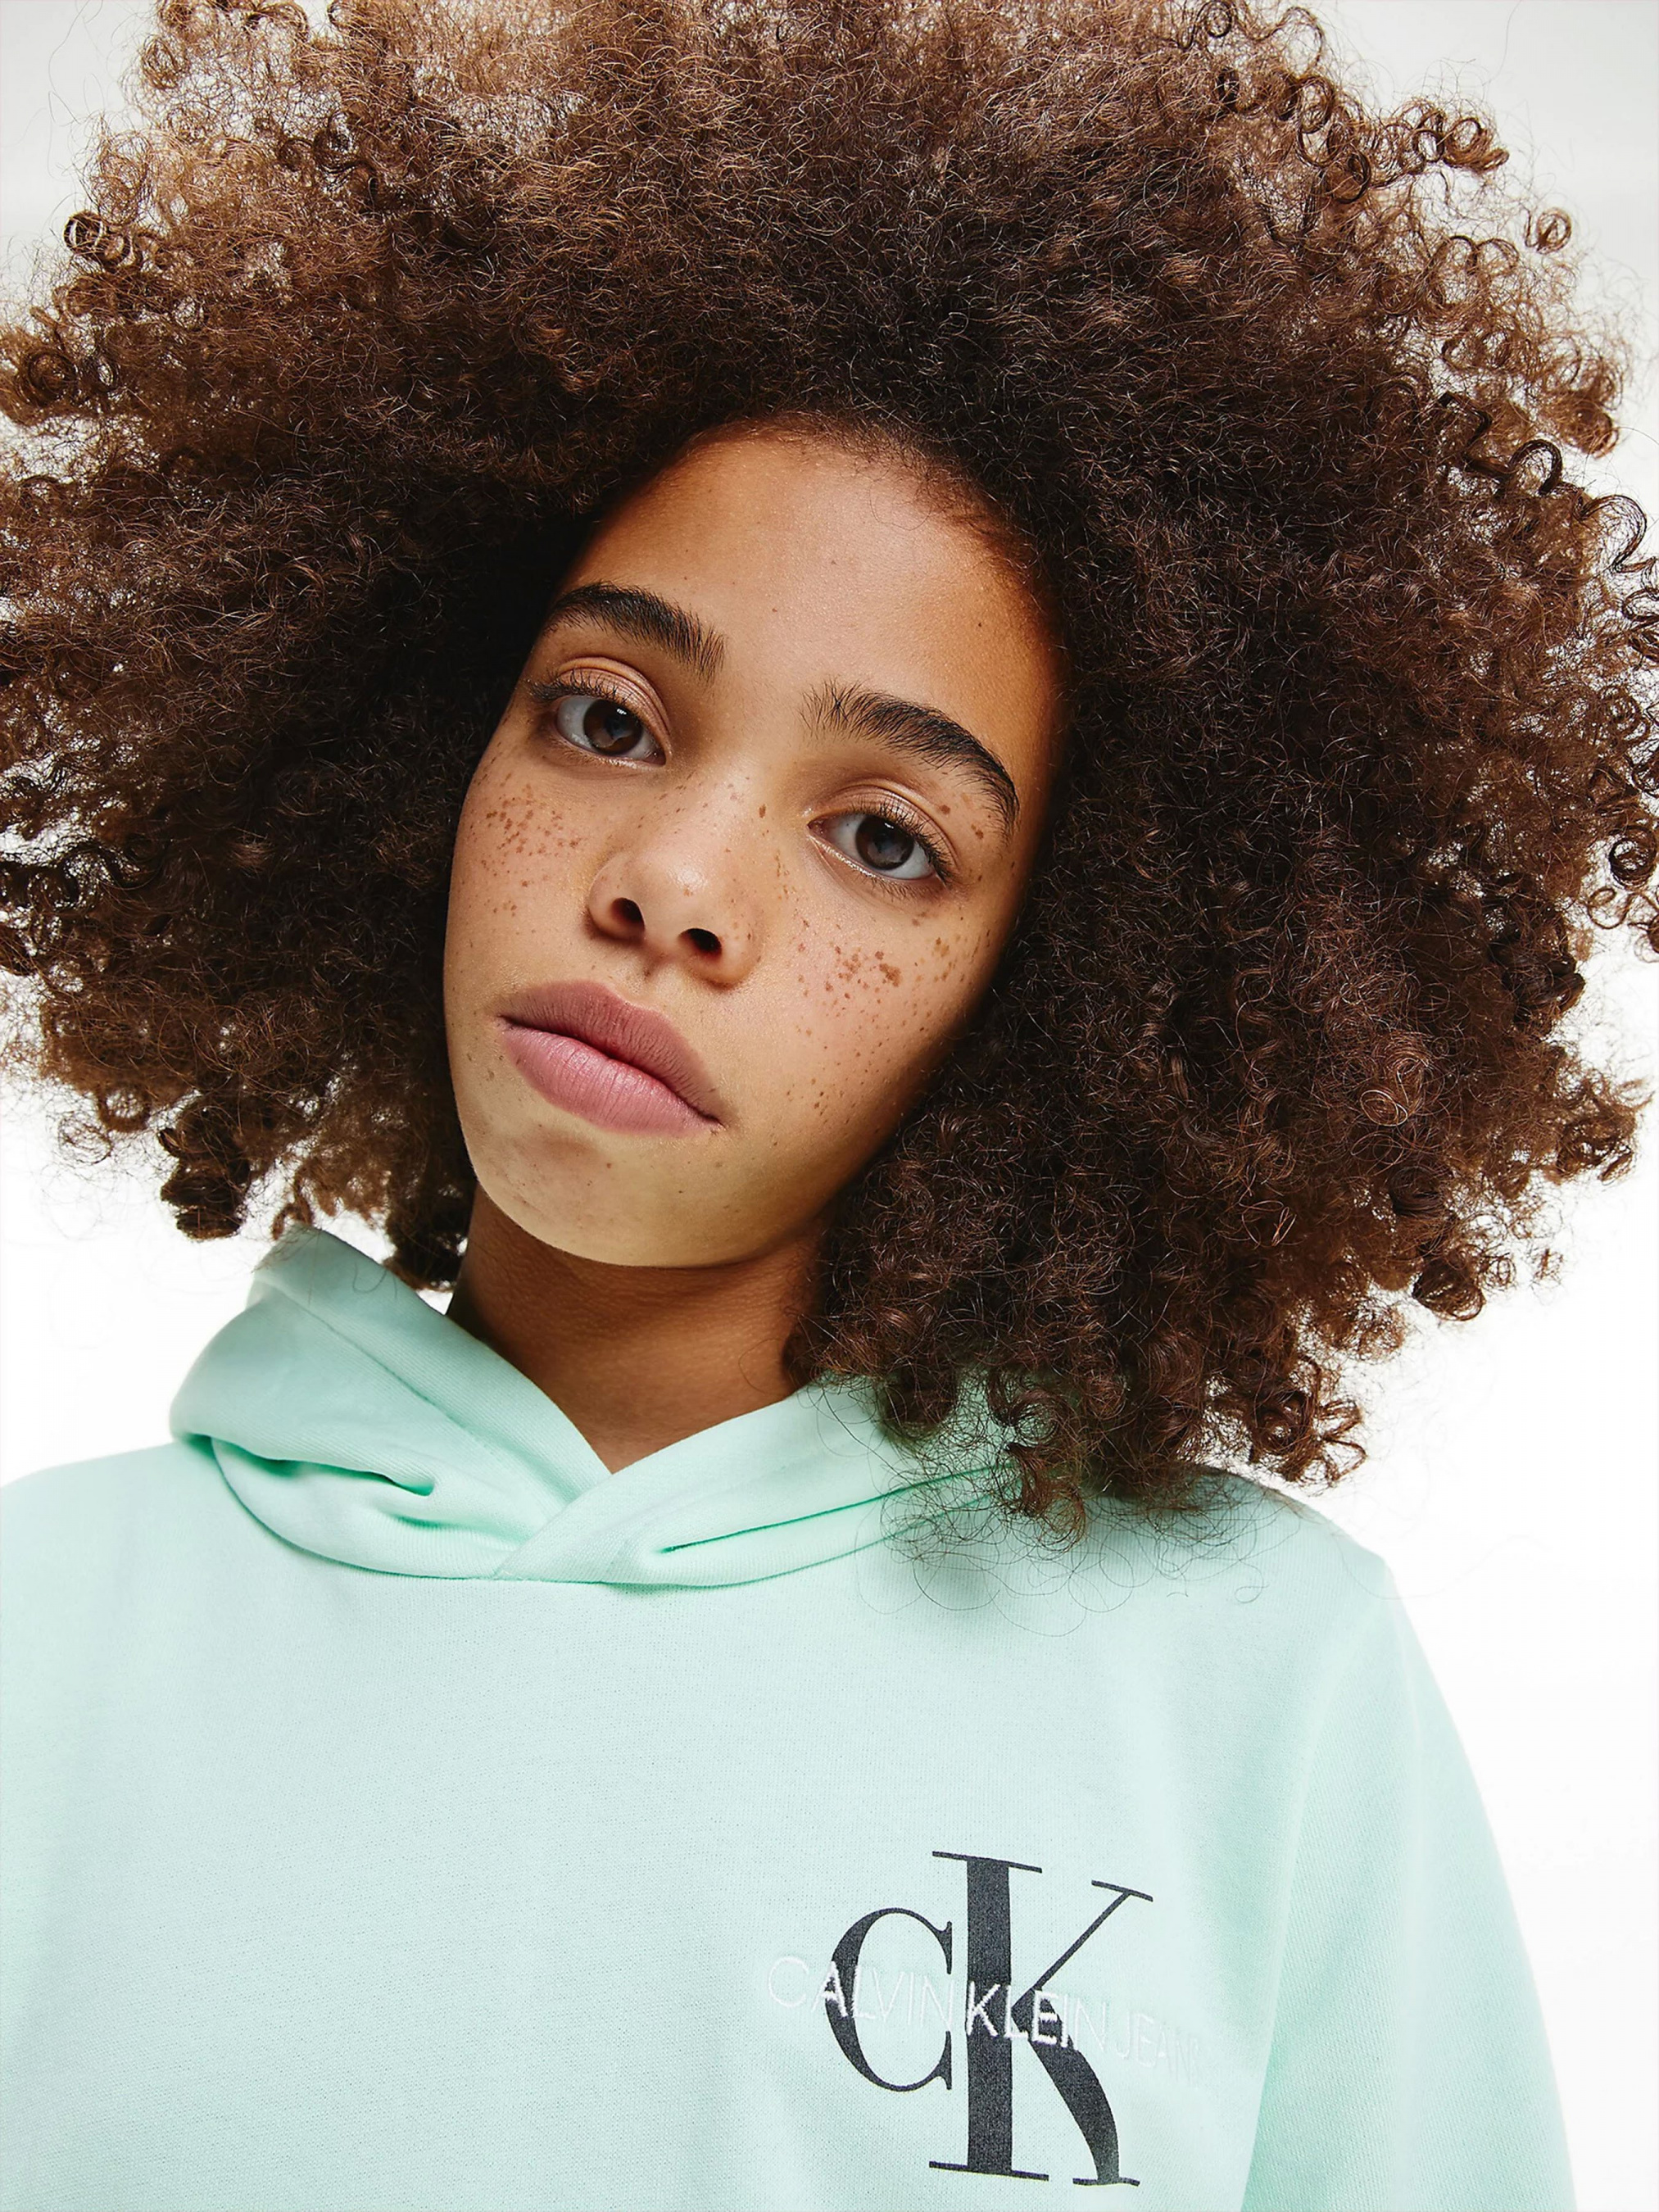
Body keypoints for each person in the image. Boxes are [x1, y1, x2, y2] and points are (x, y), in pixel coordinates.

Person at [1, 0, 1651, 2205]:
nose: (672, 886)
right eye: (605, 717)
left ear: (1066, 981)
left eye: (885, 837)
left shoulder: (1261, 1693)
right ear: (418, 748)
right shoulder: (39, 1643)